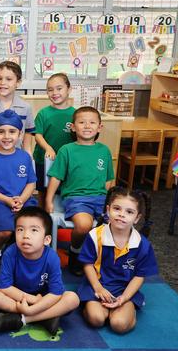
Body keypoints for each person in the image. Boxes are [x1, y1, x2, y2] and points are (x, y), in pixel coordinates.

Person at [0, 206, 80, 335]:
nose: (25, 235)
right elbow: (5, 287)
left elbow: (55, 294)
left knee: (72, 298)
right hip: (19, 298)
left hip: (44, 299)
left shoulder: (52, 257)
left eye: (34, 230)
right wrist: (34, 300)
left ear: (46, 240)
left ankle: (23, 319)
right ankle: (45, 318)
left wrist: (31, 311)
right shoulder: (10, 252)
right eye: (20, 229)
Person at [46, 106, 115, 276]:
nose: (87, 126)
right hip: (76, 199)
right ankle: (75, 251)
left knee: (118, 223)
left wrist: (107, 200)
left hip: (101, 198)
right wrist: (48, 200)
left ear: (99, 127)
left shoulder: (104, 150)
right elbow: (56, 177)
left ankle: (103, 259)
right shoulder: (67, 150)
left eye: (92, 122)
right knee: (83, 226)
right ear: (73, 126)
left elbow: (108, 180)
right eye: (82, 122)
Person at [78, 187, 157, 334]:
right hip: (97, 285)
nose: (121, 215)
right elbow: (87, 264)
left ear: (137, 218)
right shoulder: (95, 235)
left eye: (129, 212)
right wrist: (98, 288)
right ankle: (92, 308)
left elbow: (140, 276)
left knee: (119, 325)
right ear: (108, 210)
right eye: (117, 208)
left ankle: (128, 312)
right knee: (96, 319)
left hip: (123, 290)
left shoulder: (142, 244)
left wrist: (124, 298)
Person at [0, 109, 37, 278]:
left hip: (24, 201)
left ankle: (23, 258)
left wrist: (22, 199)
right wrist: (7, 200)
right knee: (5, 231)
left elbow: (31, 182)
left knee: (33, 225)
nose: (6, 136)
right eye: (1, 132)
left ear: (20, 134)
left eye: (12, 131)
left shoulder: (25, 157)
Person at [33, 73, 75, 203]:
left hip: (65, 161)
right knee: (43, 190)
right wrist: (48, 148)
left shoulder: (75, 114)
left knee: (62, 190)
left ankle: (57, 217)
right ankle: (42, 217)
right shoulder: (43, 113)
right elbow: (38, 135)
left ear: (69, 89)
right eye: (50, 90)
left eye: (59, 88)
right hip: (43, 159)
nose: (54, 93)